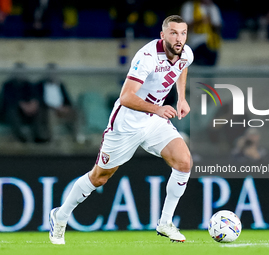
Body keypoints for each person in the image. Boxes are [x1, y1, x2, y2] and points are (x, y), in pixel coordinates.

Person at [49, 15, 194, 244]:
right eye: (174, 33)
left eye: (183, 33)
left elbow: (182, 68)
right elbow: (126, 97)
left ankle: (165, 223)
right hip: (127, 124)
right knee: (99, 177)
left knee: (184, 162)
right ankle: (60, 215)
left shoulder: (185, 53)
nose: (179, 38)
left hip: (153, 122)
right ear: (163, 35)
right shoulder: (147, 57)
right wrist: (157, 109)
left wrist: (182, 99)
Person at [0, 62, 50, 143]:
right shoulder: (7, 85)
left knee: (40, 109)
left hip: (27, 113)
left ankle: (38, 135)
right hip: (12, 114)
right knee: (12, 110)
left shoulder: (29, 84)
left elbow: (35, 97)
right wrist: (22, 105)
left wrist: (33, 104)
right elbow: (8, 101)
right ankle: (21, 136)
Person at [36, 63, 82, 143]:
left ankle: (78, 136)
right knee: (50, 114)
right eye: (50, 72)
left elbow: (68, 100)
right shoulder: (40, 85)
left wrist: (66, 107)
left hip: (62, 109)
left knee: (77, 111)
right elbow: (40, 101)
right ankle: (54, 139)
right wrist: (55, 108)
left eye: (54, 72)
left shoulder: (61, 85)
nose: (52, 74)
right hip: (49, 110)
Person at [181, 0, 222, 66]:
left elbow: (218, 26)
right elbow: (184, 27)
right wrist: (199, 21)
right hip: (194, 42)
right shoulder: (190, 6)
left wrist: (210, 20)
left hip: (210, 42)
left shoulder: (212, 7)